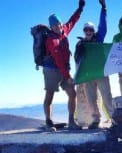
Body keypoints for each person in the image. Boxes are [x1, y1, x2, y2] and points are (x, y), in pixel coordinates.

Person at [42, 0, 84, 130]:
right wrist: (67, 76)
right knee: (50, 94)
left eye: (58, 24)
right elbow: (59, 61)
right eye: (54, 26)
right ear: (51, 27)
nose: (57, 27)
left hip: (64, 69)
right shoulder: (51, 40)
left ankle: (71, 121)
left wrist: (80, 8)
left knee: (72, 93)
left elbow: (73, 20)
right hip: (52, 69)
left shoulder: (64, 30)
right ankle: (48, 121)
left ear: (61, 24)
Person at [73, 0, 110, 129]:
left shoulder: (98, 39)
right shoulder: (80, 44)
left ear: (93, 31)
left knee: (106, 96)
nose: (88, 31)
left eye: (90, 29)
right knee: (91, 98)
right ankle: (96, 119)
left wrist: (103, 9)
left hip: (100, 72)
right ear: (84, 31)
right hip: (88, 75)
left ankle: (113, 118)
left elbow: (103, 26)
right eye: (86, 29)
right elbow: (77, 60)